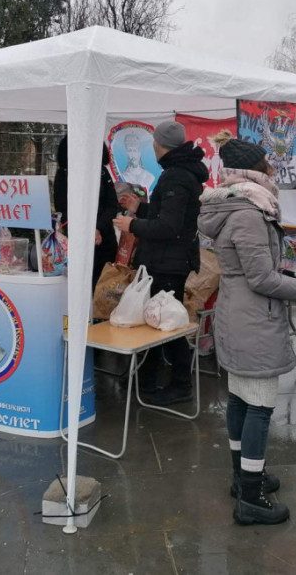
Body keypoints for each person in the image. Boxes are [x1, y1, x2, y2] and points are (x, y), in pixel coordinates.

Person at [198, 131, 296, 525]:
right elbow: (261, 278)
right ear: (253, 171)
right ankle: (251, 498)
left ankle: (244, 477)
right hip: (254, 320)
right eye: (266, 163)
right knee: (259, 407)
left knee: (240, 399)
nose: (272, 169)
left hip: (239, 315)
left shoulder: (237, 206)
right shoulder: (249, 214)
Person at [113, 120, 208, 406]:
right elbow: (168, 214)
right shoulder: (179, 171)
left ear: (159, 145)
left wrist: (132, 225)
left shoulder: (176, 176)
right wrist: (140, 208)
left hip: (168, 263)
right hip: (167, 260)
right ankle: (148, 379)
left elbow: (169, 227)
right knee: (156, 319)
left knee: (166, 321)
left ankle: (180, 384)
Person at [53, 137, 118, 289]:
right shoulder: (63, 174)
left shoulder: (102, 172)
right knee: (78, 287)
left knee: (102, 289)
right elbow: (63, 208)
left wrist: (98, 228)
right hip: (76, 241)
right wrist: (86, 231)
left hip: (104, 241)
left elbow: (112, 205)